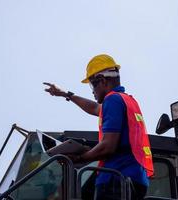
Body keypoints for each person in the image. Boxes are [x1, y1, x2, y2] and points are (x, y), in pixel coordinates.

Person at [43, 54, 154, 200]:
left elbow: (108, 146)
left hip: (116, 180)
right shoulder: (127, 100)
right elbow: (95, 108)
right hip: (133, 180)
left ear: (102, 81)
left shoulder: (112, 100)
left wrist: (78, 158)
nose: (92, 91)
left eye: (92, 84)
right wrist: (66, 94)